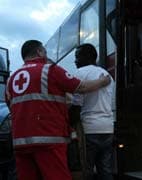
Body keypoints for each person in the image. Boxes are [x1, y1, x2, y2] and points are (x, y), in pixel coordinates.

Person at [5, 40, 111, 180]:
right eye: (44, 50)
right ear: (39, 52)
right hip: (48, 140)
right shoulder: (49, 70)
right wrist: (103, 81)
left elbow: (11, 106)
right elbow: (82, 88)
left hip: (20, 142)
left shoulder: (11, 79)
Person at [72, 43, 115, 180]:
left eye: (77, 57)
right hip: (108, 128)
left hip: (88, 129)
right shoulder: (107, 75)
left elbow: (76, 106)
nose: (75, 60)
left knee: (87, 170)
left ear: (88, 57)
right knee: (105, 170)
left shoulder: (79, 74)